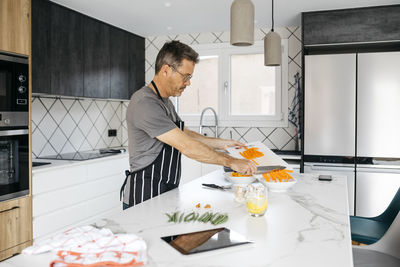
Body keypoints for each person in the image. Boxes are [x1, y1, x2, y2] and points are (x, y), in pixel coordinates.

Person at [121, 40, 256, 209]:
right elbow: (186, 145)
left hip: (165, 190)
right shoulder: (145, 103)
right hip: (144, 194)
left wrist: (223, 143)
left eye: (189, 77)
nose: (188, 83)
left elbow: (184, 133)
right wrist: (231, 161)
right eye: (185, 76)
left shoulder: (165, 102)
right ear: (166, 70)